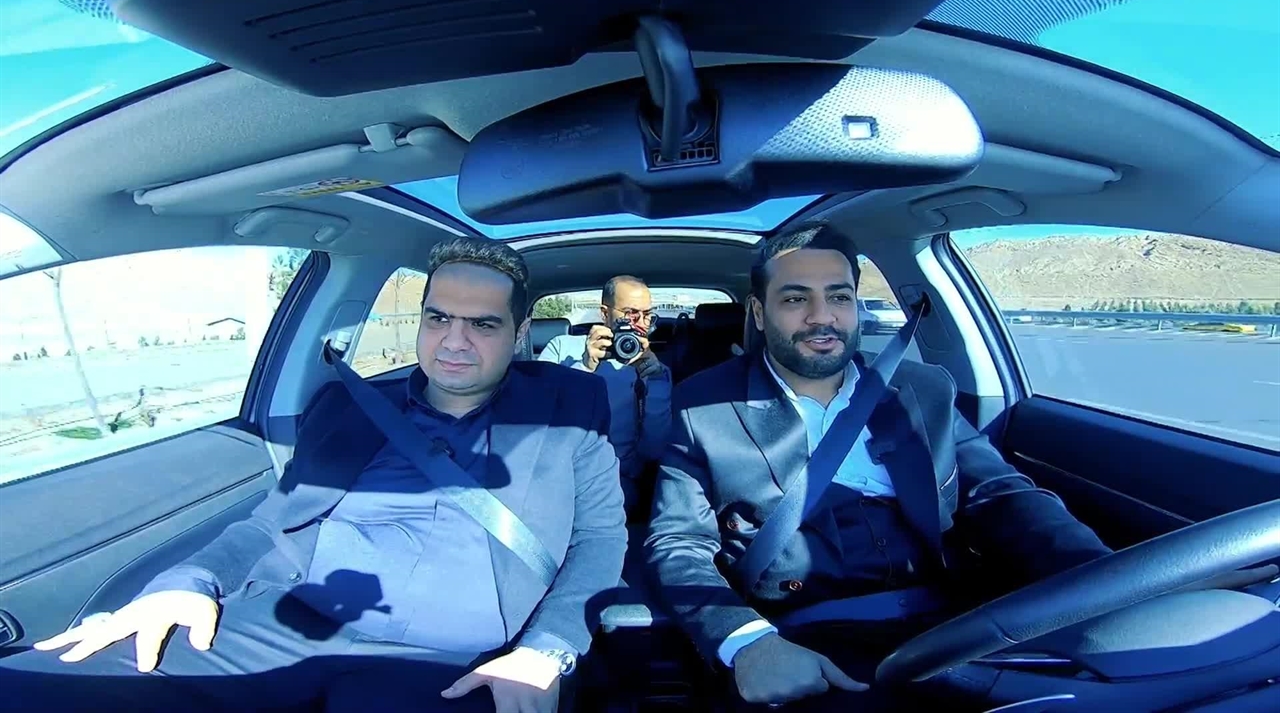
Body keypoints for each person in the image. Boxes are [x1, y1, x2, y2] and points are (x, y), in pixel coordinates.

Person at [1, 238, 628, 713]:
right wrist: (188, 581)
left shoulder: (571, 406)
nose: (453, 342)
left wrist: (547, 648)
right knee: (35, 684)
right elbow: (272, 521)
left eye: (483, 324)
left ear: (520, 333)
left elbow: (599, 540)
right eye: (438, 318)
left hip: (460, 660)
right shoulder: (350, 406)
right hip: (291, 622)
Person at [643, 224, 1112, 710]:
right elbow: (678, 542)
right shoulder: (702, 407)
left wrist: (1103, 579)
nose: (822, 316)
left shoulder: (922, 390)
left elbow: (1005, 496)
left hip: (955, 627)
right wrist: (746, 641)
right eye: (796, 299)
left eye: (839, 297)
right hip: (802, 639)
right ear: (760, 313)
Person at [539, 276, 672, 512]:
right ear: (604, 313)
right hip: (560, 474)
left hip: (621, 481)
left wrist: (655, 383)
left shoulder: (653, 369)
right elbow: (534, 420)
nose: (640, 324)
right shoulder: (562, 348)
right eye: (630, 314)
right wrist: (584, 367)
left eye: (647, 315)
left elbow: (654, 449)